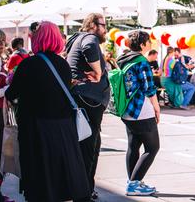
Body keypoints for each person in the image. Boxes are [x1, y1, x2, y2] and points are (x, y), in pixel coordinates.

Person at [5, 22, 90, 202]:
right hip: (63, 127)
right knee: (60, 168)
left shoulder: (29, 64)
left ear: (37, 38)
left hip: (36, 127)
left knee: (39, 172)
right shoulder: (63, 64)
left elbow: (12, 93)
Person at [65, 13, 110, 201]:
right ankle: (83, 191)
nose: (105, 29)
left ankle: (85, 188)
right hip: (88, 98)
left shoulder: (76, 38)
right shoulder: (88, 37)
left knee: (89, 143)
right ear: (92, 25)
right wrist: (99, 72)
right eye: (103, 25)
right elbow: (89, 46)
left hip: (84, 97)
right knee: (88, 146)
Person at [116, 31, 160, 196]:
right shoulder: (142, 61)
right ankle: (134, 184)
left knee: (133, 146)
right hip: (141, 110)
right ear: (142, 44)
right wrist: (157, 108)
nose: (150, 43)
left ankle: (133, 180)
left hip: (127, 110)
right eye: (148, 41)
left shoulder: (124, 59)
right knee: (152, 147)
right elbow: (149, 89)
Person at [0, 29, 12, 202]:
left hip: (0, 113)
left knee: (1, 154)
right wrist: (9, 87)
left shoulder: (1, 61)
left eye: (3, 41)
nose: (2, 45)